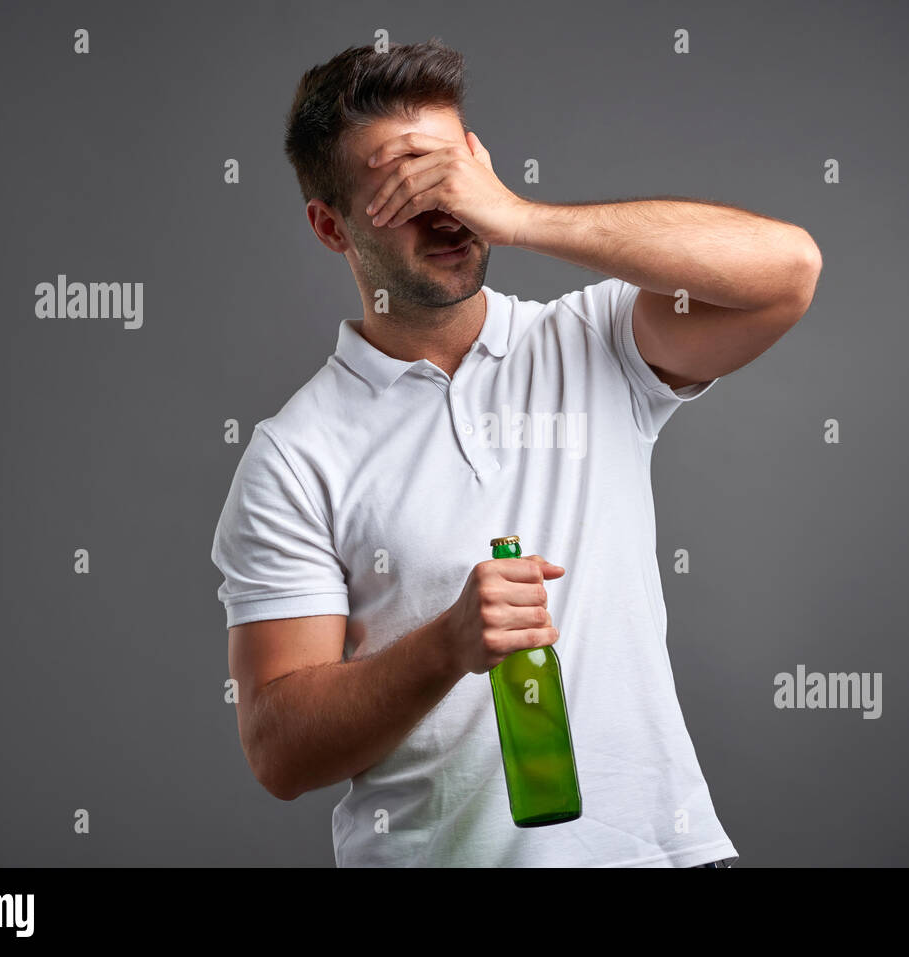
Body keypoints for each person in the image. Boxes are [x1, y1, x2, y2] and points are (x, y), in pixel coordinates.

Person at [210, 38, 822, 867]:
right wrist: (446, 644)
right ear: (331, 226)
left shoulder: (597, 341)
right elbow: (279, 750)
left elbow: (789, 271)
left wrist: (523, 216)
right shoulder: (294, 455)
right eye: (400, 187)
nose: (443, 212)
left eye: (449, 176)